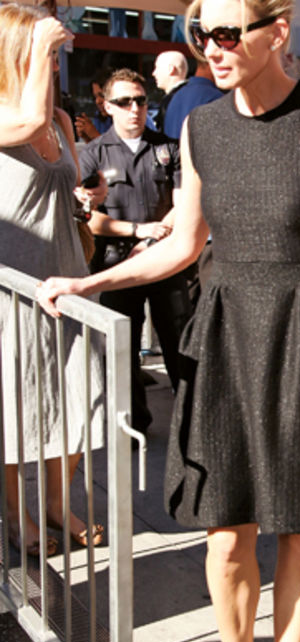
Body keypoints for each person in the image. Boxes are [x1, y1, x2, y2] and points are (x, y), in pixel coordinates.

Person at [37, 0, 300, 642]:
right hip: (224, 337)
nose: (210, 48)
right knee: (225, 536)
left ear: (276, 33)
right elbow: (185, 242)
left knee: (297, 528)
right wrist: (92, 278)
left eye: (226, 33)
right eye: (200, 34)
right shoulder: (201, 128)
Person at [0, 4, 104, 556]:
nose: (57, 62)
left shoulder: (60, 119)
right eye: (47, 52)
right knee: (17, 402)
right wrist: (42, 42)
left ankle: (58, 504)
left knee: (78, 397)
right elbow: (28, 125)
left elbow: (66, 182)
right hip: (13, 286)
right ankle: (17, 517)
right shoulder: (11, 117)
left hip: (68, 278)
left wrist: (86, 198)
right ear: (18, 52)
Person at [80, 68, 191, 436]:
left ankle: (191, 424)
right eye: (124, 101)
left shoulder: (169, 148)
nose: (134, 109)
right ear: (107, 106)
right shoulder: (93, 154)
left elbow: (184, 205)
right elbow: (89, 219)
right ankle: (131, 427)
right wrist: (136, 231)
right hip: (117, 262)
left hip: (165, 258)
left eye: (141, 101)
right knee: (121, 348)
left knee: (179, 342)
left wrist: (152, 241)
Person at [75, 74, 113, 143]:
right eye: (95, 97)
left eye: (102, 96)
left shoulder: (126, 120)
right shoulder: (99, 117)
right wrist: (87, 138)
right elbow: (97, 148)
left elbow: (116, 149)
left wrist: (94, 135)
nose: (97, 101)